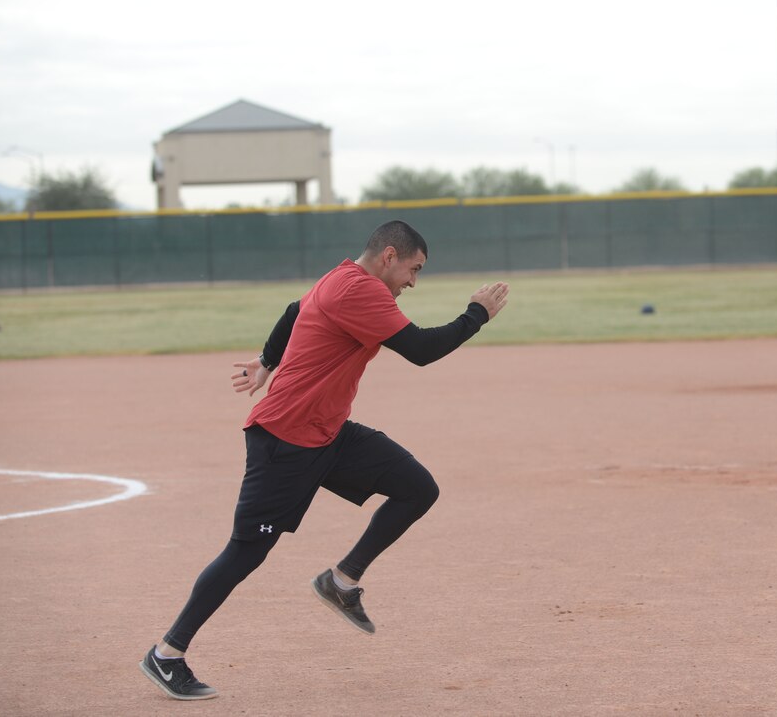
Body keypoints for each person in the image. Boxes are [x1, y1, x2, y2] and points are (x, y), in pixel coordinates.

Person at [140, 220, 509, 701]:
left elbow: (295, 310)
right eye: (413, 270)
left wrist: (267, 360)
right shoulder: (359, 289)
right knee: (246, 551)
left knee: (418, 488)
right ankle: (166, 655)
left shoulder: (340, 277)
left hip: (328, 432)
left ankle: (341, 580)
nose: (413, 283)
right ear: (390, 256)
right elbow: (420, 350)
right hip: (286, 439)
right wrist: (476, 314)